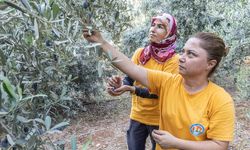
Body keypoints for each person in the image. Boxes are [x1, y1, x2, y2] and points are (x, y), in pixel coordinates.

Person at [83, 26, 235, 149]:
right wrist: (101, 42)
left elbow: (219, 145)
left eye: (191, 54)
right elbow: (129, 67)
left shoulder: (220, 100)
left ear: (210, 64)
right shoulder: (167, 82)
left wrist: (175, 143)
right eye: (183, 51)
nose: (181, 58)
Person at [107, 13, 179, 150]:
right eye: (153, 25)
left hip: (159, 119)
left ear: (170, 33)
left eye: (160, 27)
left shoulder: (173, 60)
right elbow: (130, 78)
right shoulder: (140, 53)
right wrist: (121, 85)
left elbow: (162, 91)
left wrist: (133, 89)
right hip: (137, 115)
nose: (153, 29)